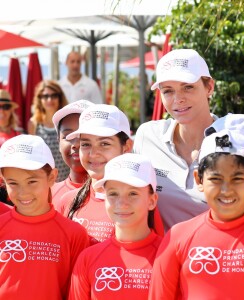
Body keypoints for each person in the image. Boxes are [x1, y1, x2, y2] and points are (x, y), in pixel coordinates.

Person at [149, 129, 244, 300]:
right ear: (199, 180)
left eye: (237, 179)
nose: (226, 190)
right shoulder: (177, 237)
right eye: (216, 179)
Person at [56, 104, 164, 244]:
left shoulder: (139, 202)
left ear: (126, 147)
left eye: (104, 144)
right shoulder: (67, 201)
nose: (94, 154)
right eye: (86, 144)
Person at [133, 48, 216, 231]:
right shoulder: (147, 136)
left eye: (188, 87)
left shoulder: (235, 139)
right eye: (168, 91)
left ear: (209, 87)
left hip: (217, 256)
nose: (178, 99)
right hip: (161, 257)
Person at [0, 134, 89, 300]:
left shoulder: (73, 234)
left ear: (52, 177)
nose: (23, 191)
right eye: (13, 183)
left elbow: (76, 292)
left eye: (32, 181)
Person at [68, 153, 162, 299]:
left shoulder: (169, 255)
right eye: (113, 194)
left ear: (152, 201)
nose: (122, 203)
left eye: (132, 193)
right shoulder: (88, 258)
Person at [51, 99, 94, 206]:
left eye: (84, 136)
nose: (76, 144)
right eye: (67, 136)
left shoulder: (114, 195)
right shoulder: (48, 195)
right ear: (58, 142)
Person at [28, 80, 70, 182]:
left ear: (60, 98)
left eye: (54, 95)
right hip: (45, 183)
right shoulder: (34, 124)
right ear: (39, 99)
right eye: (45, 96)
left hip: (68, 181)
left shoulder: (67, 122)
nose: (50, 99)